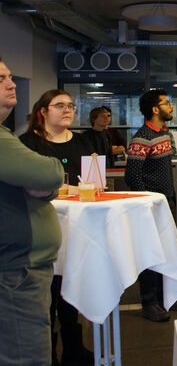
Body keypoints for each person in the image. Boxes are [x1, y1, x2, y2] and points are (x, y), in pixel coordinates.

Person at [20, 89, 94, 365]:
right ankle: (48, 352)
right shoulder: (28, 143)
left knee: (71, 290)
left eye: (71, 106)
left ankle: (74, 348)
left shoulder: (83, 142)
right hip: (42, 228)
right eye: (59, 105)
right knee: (46, 294)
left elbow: (92, 181)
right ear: (43, 111)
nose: (67, 110)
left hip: (78, 228)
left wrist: (72, 188)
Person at [0, 57, 64, 366]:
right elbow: (50, 174)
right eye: (1, 79)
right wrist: (49, 180)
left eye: (10, 77)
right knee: (26, 356)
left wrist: (45, 185)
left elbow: (44, 183)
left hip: (18, 267)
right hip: (15, 272)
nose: (12, 84)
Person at [125, 89, 177, 322]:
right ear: (155, 109)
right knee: (151, 254)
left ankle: (167, 298)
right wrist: (148, 201)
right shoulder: (142, 137)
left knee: (166, 251)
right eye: (166, 103)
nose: (171, 107)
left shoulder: (163, 133)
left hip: (165, 202)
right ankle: (149, 302)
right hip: (150, 205)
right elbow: (132, 175)